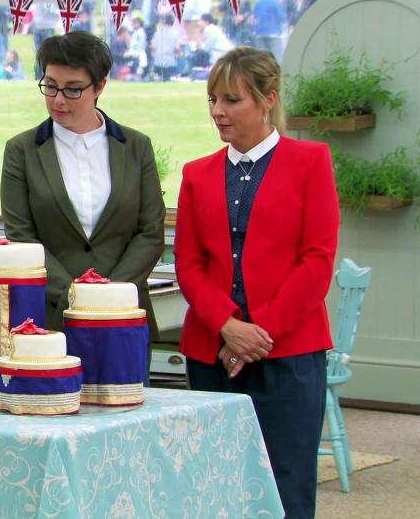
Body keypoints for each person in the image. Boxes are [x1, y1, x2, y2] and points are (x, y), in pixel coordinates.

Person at [174, 47, 340, 519]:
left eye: (231, 100)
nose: (218, 112)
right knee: (214, 482)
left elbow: (317, 261)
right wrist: (227, 326)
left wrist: (255, 335)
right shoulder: (196, 174)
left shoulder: (310, 161)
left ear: (268, 100)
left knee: (287, 483)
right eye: (212, 100)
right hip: (211, 352)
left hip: (288, 352)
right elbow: (188, 263)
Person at [0, 31, 166, 349]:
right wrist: (74, 295)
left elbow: (150, 232)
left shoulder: (136, 146)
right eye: (50, 86)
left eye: (73, 90)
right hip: (50, 323)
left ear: (100, 86)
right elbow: (21, 235)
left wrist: (109, 295)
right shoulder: (21, 150)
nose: (58, 99)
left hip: (125, 316)